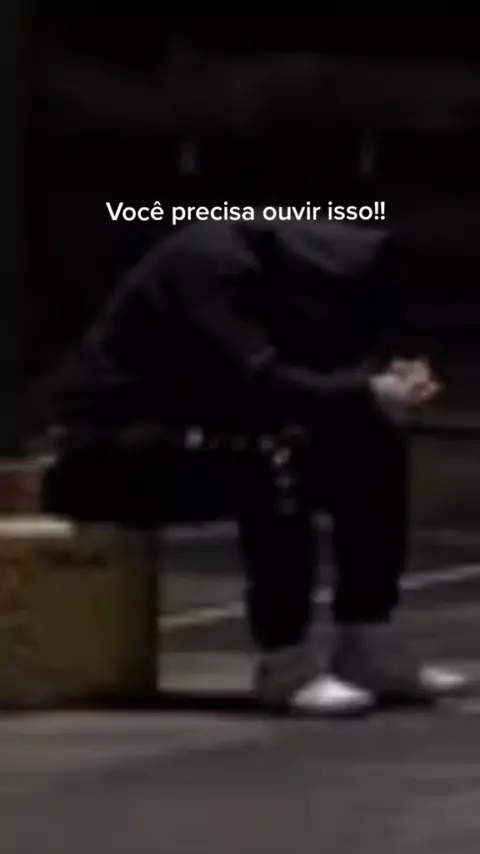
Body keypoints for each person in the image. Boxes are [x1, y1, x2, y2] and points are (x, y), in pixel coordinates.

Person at [50, 217, 469, 715]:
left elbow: (325, 379)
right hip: (111, 446)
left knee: (375, 440)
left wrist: (388, 381)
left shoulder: (302, 284)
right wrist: (365, 391)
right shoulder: (206, 265)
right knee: (272, 457)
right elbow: (261, 380)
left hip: (210, 428)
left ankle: (367, 637)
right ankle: (284, 659)